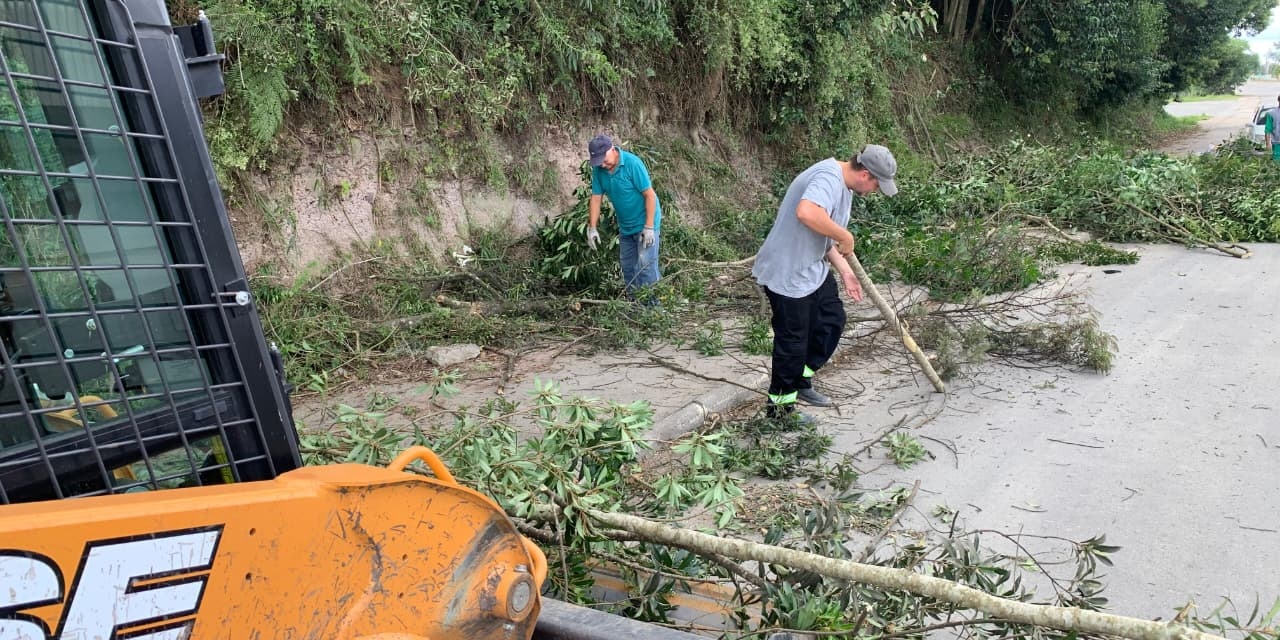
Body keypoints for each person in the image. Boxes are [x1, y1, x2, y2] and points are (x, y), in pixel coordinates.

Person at [752, 144, 898, 423]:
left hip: (812, 269)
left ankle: (801, 381)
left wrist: (845, 270)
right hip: (788, 273)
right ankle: (780, 412)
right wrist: (846, 235)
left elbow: (823, 233)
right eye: (877, 186)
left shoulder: (845, 186)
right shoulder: (828, 179)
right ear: (866, 174)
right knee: (793, 342)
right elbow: (807, 213)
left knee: (831, 320)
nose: (875, 192)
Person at [585, 134, 662, 298]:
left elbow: (650, 195)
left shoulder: (632, 164)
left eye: (604, 159)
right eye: (599, 162)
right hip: (626, 226)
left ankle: (653, 311)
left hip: (645, 222)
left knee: (646, 267)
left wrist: (649, 227)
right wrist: (592, 228)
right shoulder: (599, 171)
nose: (603, 165)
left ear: (612, 149)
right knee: (628, 268)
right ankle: (634, 307)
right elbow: (596, 199)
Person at [1267, 95, 1279, 163]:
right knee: (1277, 164)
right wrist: (1268, 144)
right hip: (1277, 143)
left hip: (1276, 143)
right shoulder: (1271, 113)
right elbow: (1267, 130)